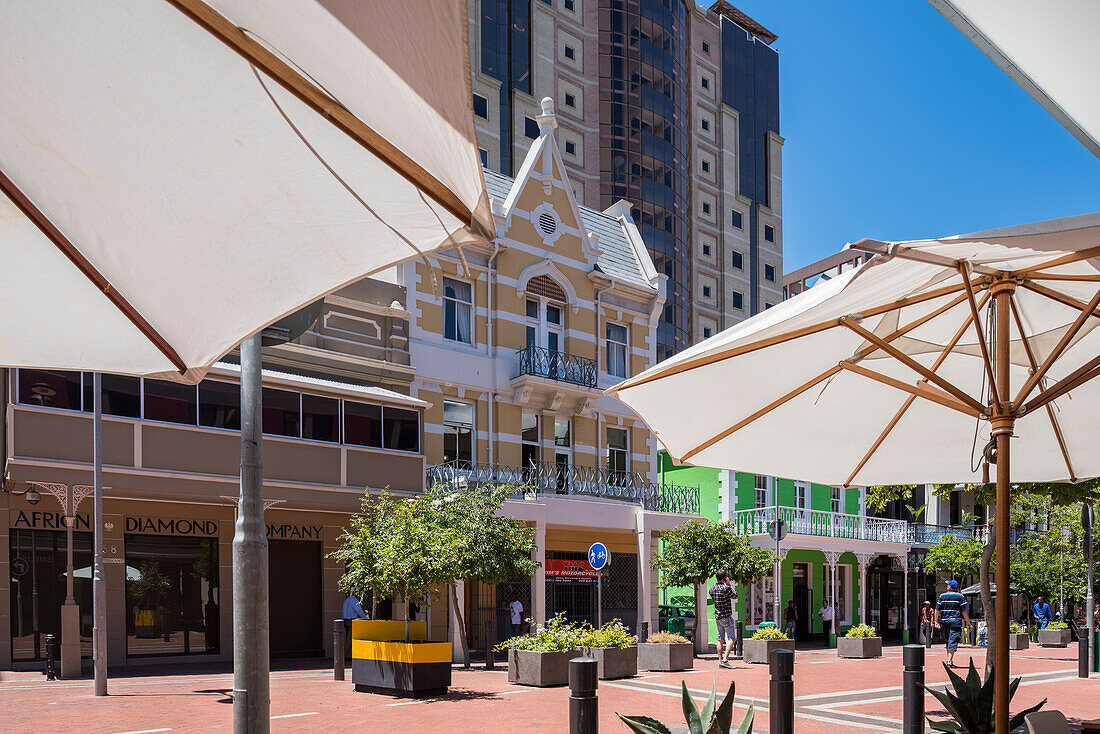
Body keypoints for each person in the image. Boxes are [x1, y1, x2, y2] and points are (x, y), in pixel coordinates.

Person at [934, 580, 971, 668]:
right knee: (953, 640)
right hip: (955, 622)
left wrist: (936, 621)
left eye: (948, 585)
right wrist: (969, 623)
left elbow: (937, 610)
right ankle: (949, 661)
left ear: (950, 587)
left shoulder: (942, 596)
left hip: (944, 621)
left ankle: (949, 660)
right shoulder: (960, 597)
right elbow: (964, 612)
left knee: (948, 640)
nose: (947, 585)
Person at [709, 570, 737, 668]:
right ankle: (725, 660)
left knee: (720, 639)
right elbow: (735, 595)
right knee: (732, 639)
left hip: (718, 616)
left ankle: (720, 661)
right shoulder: (726, 588)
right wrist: (729, 584)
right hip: (726, 616)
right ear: (724, 578)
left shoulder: (712, 588)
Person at [341, 589, 369, 657]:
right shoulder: (354, 601)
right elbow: (359, 611)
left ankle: (348, 653)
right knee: (350, 637)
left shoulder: (346, 600)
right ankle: (348, 653)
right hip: (352, 621)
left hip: (346, 620)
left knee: (348, 636)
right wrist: (366, 618)